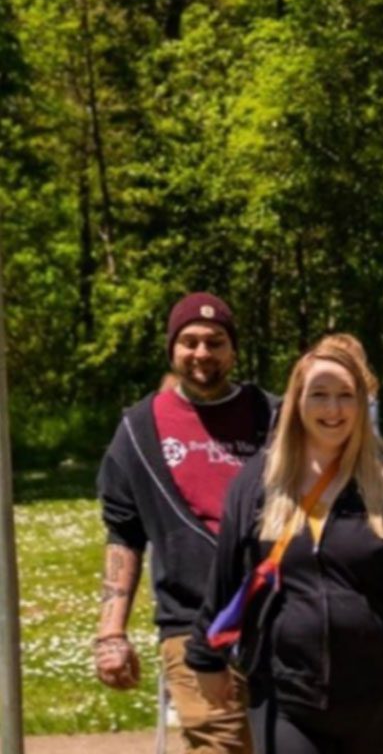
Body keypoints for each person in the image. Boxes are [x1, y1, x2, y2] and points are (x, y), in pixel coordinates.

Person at [185, 334, 383, 754]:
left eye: (346, 396)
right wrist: (205, 657)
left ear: (362, 403)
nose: (333, 409)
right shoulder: (259, 481)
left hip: (372, 692)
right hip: (283, 691)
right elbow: (225, 573)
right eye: (320, 395)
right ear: (297, 402)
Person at [95, 292, 274, 754]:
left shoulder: (273, 417)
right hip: (192, 625)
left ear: (233, 350)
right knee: (219, 746)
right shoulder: (139, 429)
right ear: (172, 349)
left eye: (215, 342)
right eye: (190, 342)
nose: (202, 354)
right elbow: (123, 534)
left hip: (281, 619)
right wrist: (111, 633)